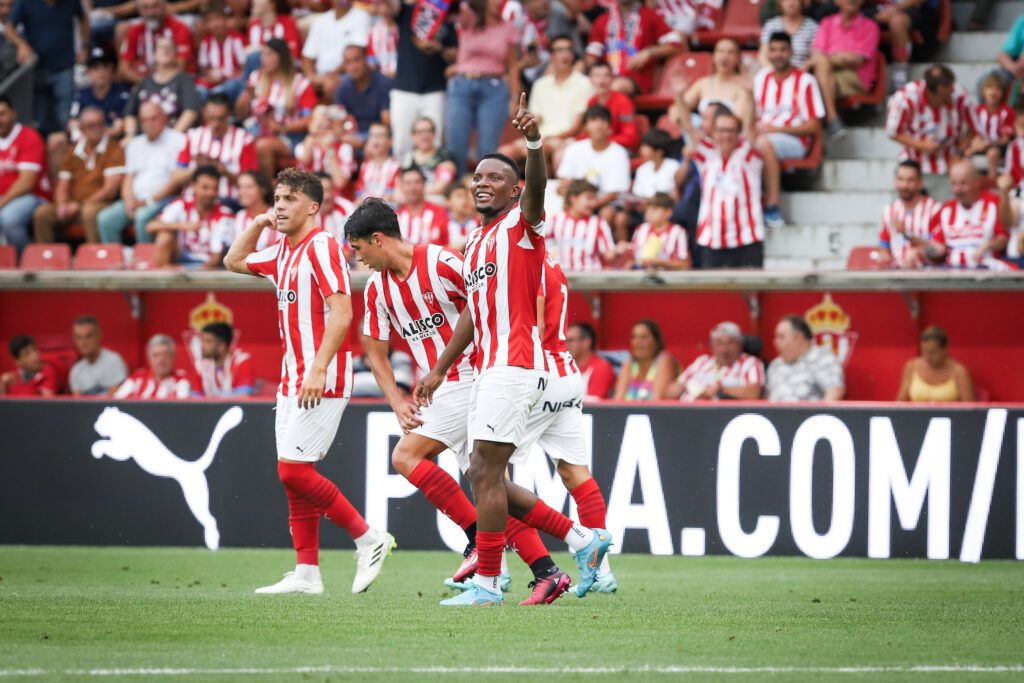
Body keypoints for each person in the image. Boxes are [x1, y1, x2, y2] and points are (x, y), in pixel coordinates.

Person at [413, 95, 613, 606]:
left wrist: (533, 143)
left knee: (485, 472)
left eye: (495, 178)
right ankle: (580, 540)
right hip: (488, 368)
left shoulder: (522, 228)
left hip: (516, 365)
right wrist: (439, 369)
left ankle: (487, 582)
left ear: (516, 189)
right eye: (476, 177)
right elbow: (471, 316)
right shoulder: (475, 244)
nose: (481, 182)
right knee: (484, 472)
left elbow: (539, 189)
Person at [349, 198, 568, 604]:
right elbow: (375, 350)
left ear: (378, 239)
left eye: (359, 249)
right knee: (491, 488)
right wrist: (396, 401)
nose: (358, 259)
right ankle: (547, 569)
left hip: (472, 375)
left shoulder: (443, 262)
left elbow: (486, 304)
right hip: (445, 385)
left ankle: (476, 541)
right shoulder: (378, 289)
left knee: (406, 458)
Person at [223, 167, 395, 596]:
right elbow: (233, 261)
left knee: (294, 471)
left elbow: (341, 311)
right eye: (277, 198)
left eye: (290, 199)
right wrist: (258, 223)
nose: (280, 206)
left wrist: (318, 367)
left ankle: (368, 537)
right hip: (292, 378)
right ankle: (306, 573)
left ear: (313, 207)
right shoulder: (282, 251)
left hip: (323, 376)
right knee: (295, 473)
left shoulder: (322, 248)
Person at [753, 33, 826, 225]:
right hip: (761, 136)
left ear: (791, 52)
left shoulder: (805, 81)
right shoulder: (761, 78)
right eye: (774, 50)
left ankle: (773, 207)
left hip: (795, 141)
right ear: (768, 52)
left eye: (783, 50)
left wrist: (775, 128)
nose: (778, 55)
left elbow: (814, 125)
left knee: (763, 143)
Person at [445, 0, 521, 177]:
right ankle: (457, 191)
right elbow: (449, 8)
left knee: (487, 147)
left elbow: (513, 65)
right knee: (456, 143)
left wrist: (514, 97)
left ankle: (484, 190)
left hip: (494, 88)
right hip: (462, 85)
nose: (499, 3)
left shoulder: (507, 27)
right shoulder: (468, 18)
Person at [33, 107, 125, 245]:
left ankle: (94, 258)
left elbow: (110, 190)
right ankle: (46, 258)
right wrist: (62, 205)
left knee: (89, 212)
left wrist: (80, 205)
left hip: (101, 204)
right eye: (91, 126)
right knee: (42, 214)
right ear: (81, 129)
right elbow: (62, 184)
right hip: (73, 205)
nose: (97, 129)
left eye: (100, 124)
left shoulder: (114, 148)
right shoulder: (72, 150)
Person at [97, 103, 185, 246]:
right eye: (144, 120)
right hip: (136, 199)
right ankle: (114, 264)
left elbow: (176, 181)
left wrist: (147, 202)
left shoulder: (178, 140)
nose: (149, 123)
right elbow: (128, 177)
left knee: (142, 216)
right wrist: (128, 201)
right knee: (105, 219)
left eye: (153, 118)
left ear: (164, 118)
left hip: (164, 199)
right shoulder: (135, 144)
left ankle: (145, 263)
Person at [690, 110, 767, 268]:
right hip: (711, 239)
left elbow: (751, 128)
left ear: (739, 134)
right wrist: (680, 97)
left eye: (731, 130)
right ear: (712, 133)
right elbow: (688, 129)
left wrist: (748, 94)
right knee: (713, 292)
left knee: (749, 291)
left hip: (747, 238)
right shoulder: (708, 158)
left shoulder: (747, 158)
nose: (726, 135)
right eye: (721, 130)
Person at [501, 34, 593, 164]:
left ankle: (541, 184)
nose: (565, 54)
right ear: (552, 56)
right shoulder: (540, 84)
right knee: (504, 153)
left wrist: (549, 138)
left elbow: (578, 126)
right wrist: (525, 122)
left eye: (569, 50)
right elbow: (535, 119)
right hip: (539, 137)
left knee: (540, 150)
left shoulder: (584, 83)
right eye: (560, 50)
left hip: (567, 139)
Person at [5, 0, 88, 137]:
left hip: (64, 67)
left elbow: (84, 19)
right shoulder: (25, 3)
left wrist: (84, 46)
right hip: (37, 69)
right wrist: (21, 45)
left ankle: (70, 154)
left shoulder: (71, 2)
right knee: (40, 121)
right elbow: (8, 28)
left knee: (65, 118)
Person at [237, 38, 319, 178]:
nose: (265, 59)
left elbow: (309, 119)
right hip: (256, 130)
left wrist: (283, 128)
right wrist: (246, 97)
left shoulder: (300, 83)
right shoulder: (256, 78)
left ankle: (266, 189)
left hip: (288, 136)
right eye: (263, 55)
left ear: (282, 57)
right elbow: (240, 113)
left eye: (270, 55)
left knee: (263, 146)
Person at [387, 0, 457, 158]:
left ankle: (435, 179)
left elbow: (456, 53)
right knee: (402, 144)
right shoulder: (409, 11)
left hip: (435, 90)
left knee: (434, 144)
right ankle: (403, 179)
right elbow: (390, 6)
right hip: (404, 90)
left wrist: (438, 47)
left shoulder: (446, 17)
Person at [886, 65, 973, 185]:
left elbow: (974, 129)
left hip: (950, 163)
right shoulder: (905, 97)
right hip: (914, 163)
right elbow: (892, 132)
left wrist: (959, 153)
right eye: (944, 97)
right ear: (929, 92)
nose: (949, 99)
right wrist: (921, 145)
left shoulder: (959, 95)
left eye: (950, 92)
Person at [54, 47, 130, 173]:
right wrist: (80, 133)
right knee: (56, 140)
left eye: (105, 67)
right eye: (95, 68)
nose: (101, 72)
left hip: (111, 141)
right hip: (85, 140)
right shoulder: (82, 94)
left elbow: (118, 128)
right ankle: (60, 183)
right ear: (88, 72)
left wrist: (93, 136)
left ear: (112, 69)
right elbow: (73, 123)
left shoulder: (122, 93)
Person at [173, 96, 260, 205]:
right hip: (192, 201)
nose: (216, 123)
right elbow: (177, 178)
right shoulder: (193, 136)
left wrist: (224, 171)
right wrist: (198, 168)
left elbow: (251, 184)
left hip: (228, 201)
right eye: (211, 118)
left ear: (229, 115)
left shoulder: (244, 139)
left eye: (221, 118)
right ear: (204, 113)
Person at [584, 0, 682, 96]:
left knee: (616, 87)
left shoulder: (651, 16)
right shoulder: (602, 20)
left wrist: (649, 52)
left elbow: (676, 45)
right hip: (607, 76)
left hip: (638, 79)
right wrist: (595, 75)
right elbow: (591, 55)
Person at [806, 0, 878, 125]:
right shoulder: (827, 23)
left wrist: (826, 59)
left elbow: (856, 61)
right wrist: (837, 57)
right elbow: (817, 54)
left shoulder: (870, 26)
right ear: (837, 1)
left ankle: (826, 119)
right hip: (827, 74)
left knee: (814, 78)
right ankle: (832, 118)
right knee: (818, 74)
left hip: (855, 77)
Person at [147, 166, 235, 269]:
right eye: (205, 187)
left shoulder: (225, 215)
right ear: (193, 186)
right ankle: (160, 280)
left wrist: (195, 276)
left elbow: (216, 258)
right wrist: (182, 226)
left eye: (215, 188)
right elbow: (151, 226)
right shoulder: (181, 204)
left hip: (209, 266)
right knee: (164, 236)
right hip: (181, 258)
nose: (210, 193)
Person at [926, 160, 1008, 269]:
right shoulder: (947, 209)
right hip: (952, 270)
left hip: (987, 270)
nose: (958, 189)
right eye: (954, 184)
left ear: (976, 182)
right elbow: (936, 244)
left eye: (963, 183)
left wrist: (989, 244)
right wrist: (929, 250)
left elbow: (1004, 238)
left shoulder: (994, 203)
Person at [676, 39, 756, 144]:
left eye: (730, 52)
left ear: (738, 58)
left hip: (729, 141)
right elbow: (677, 111)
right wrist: (679, 95)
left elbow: (741, 122)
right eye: (720, 51)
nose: (724, 56)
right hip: (700, 139)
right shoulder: (703, 83)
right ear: (713, 56)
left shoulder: (744, 86)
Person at [123, 35, 202, 138]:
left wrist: (172, 136)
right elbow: (130, 113)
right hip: (146, 138)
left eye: (170, 48)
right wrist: (130, 135)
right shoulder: (144, 82)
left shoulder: (184, 80)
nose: (166, 50)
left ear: (175, 54)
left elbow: (190, 112)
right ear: (154, 55)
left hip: (174, 136)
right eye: (161, 47)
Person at [557, 105, 631, 212]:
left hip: (606, 205)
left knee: (608, 212)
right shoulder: (573, 149)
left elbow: (614, 194)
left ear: (610, 126)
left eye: (603, 121)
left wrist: (588, 206)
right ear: (585, 126)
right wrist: (576, 204)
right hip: (577, 203)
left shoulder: (619, 153)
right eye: (593, 120)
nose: (598, 125)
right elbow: (563, 183)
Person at [664, 321, 764, 400]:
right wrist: (688, 384)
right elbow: (669, 393)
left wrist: (722, 390)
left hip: (720, 415)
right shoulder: (702, 362)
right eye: (719, 343)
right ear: (711, 345)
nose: (724, 349)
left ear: (740, 344)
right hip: (685, 412)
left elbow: (754, 393)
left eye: (730, 343)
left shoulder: (751, 363)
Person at [0, 96, 49, 254]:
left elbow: (26, 183)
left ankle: (23, 261)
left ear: (13, 113)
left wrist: (1, 203)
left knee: (10, 219)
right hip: (4, 199)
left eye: (2, 114)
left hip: (32, 196)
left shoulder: (28, 136)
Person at [301, 0, 372, 99]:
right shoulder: (321, 20)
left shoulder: (362, 17)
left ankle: (336, 112)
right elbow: (307, 56)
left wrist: (332, 74)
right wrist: (311, 77)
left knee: (331, 85)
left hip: (347, 73)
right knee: (300, 84)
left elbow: (358, 53)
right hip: (321, 74)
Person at [766, 314, 845, 401]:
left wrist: (820, 414)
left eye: (781, 337)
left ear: (798, 338)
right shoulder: (775, 365)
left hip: (809, 414)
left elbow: (835, 392)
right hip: (775, 414)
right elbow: (768, 397)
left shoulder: (823, 359)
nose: (775, 342)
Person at [878, 159, 941, 268]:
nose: (904, 185)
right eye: (900, 179)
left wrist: (907, 234)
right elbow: (884, 248)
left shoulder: (935, 209)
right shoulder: (889, 211)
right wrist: (883, 257)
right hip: (896, 276)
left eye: (910, 180)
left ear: (920, 183)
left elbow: (937, 250)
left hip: (927, 274)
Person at [118, 0, 195, 85]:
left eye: (155, 6)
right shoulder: (134, 32)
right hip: (143, 83)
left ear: (164, 6)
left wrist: (158, 84)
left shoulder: (179, 28)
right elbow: (124, 69)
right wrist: (148, 85)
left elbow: (181, 66)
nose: (151, 12)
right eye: (145, 8)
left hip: (175, 84)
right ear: (139, 10)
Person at [548, 180, 618, 271]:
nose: (593, 203)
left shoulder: (599, 223)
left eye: (594, 199)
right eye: (589, 198)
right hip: (561, 278)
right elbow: (544, 248)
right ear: (573, 198)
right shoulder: (555, 220)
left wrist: (619, 251)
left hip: (589, 280)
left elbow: (609, 255)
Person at [897, 326, 975, 402]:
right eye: (924, 351)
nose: (927, 356)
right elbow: (900, 402)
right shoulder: (912, 367)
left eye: (932, 352)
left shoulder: (959, 372)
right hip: (917, 415)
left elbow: (970, 408)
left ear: (945, 349)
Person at [333, 45, 392, 139]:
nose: (353, 67)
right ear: (344, 66)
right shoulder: (342, 87)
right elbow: (338, 122)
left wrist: (365, 142)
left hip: (378, 136)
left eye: (357, 60)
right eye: (348, 62)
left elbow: (387, 123)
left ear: (366, 59)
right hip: (353, 136)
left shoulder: (384, 84)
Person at [197, 1, 248, 103]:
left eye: (218, 18)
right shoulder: (206, 43)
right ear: (206, 25)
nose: (215, 24)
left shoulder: (237, 39)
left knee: (227, 88)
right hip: (214, 82)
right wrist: (209, 76)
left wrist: (228, 78)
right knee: (199, 90)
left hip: (233, 83)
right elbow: (204, 69)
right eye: (210, 21)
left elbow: (245, 69)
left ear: (225, 19)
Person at [114, 334, 192, 399]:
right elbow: (118, 401)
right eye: (156, 355)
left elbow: (182, 407)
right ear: (149, 358)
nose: (161, 360)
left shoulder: (182, 379)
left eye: (165, 355)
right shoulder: (138, 377)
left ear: (173, 357)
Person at [613, 319, 675, 400]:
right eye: (634, 337)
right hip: (628, 412)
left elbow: (657, 399)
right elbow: (618, 398)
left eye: (643, 337)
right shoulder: (629, 362)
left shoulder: (664, 360)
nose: (637, 342)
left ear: (656, 342)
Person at [967, 74, 1014, 180]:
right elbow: (973, 132)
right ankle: (973, 182)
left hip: (999, 146)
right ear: (983, 92)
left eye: (998, 89)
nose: (993, 92)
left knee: (992, 153)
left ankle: (991, 181)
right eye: (989, 88)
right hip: (981, 143)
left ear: (1003, 93)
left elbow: (1005, 139)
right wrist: (974, 144)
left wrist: (987, 144)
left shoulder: (1007, 111)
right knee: (966, 152)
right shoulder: (978, 110)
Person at [398, 117, 456, 202]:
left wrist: (413, 192)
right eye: (420, 132)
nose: (424, 136)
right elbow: (399, 186)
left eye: (428, 131)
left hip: (437, 201)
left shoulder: (444, 156)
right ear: (413, 136)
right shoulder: (408, 158)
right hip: (413, 201)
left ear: (434, 134)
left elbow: (441, 187)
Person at [584, 61, 639, 151]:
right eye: (597, 76)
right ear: (590, 79)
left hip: (619, 148)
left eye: (606, 76)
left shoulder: (623, 101)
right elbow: (587, 132)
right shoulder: (591, 101)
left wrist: (603, 140)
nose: (601, 81)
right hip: (596, 146)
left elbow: (630, 138)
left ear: (612, 79)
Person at [69, 316, 128, 396]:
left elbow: (117, 397)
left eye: (88, 336)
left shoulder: (114, 361)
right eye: (79, 338)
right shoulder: (76, 370)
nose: (83, 342)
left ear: (99, 335)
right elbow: (77, 403)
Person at [192, 321, 255, 397]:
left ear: (222, 346)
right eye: (202, 341)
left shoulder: (241, 361)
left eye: (208, 341)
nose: (202, 346)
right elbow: (195, 400)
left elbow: (244, 399)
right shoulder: (200, 365)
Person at [629, 193, 691, 270]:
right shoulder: (641, 229)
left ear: (668, 212)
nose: (649, 213)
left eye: (654, 209)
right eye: (648, 209)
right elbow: (631, 259)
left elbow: (685, 265)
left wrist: (660, 262)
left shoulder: (677, 232)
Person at [395, 166, 449, 246]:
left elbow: (447, 244)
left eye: (417, 182)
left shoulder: (439, 212)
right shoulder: (396, 215)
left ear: (424, 184)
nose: (413, 187)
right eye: (408, 183)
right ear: (402, 187)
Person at [759, 0, 819, 71]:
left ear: (801, 2)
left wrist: (798, 73)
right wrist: (775, 74)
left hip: (802, 74)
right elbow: (763, 57)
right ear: (780, 3)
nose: (791, 3)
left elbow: (816, 56)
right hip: (775, 74)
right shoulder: (770, 26)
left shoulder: (812, 27)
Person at [566, 322, 614, 400]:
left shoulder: (601, 367)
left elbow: (593, 403)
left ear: (586, 342)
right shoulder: (566, 367)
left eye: (570, 340)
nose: (565, 345)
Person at [355, 122, 400, 200]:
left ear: (390, 142)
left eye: (380, 136)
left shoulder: (396, 166)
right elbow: (359, 194)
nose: (375, 140)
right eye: (372, 136)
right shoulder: (365, 166)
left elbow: (391, 196)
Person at [445, 182, 478, 252]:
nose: (464, 200)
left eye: (465, 196)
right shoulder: (442, 224)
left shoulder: (478, 222)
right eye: (458, 196)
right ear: (448, 201)